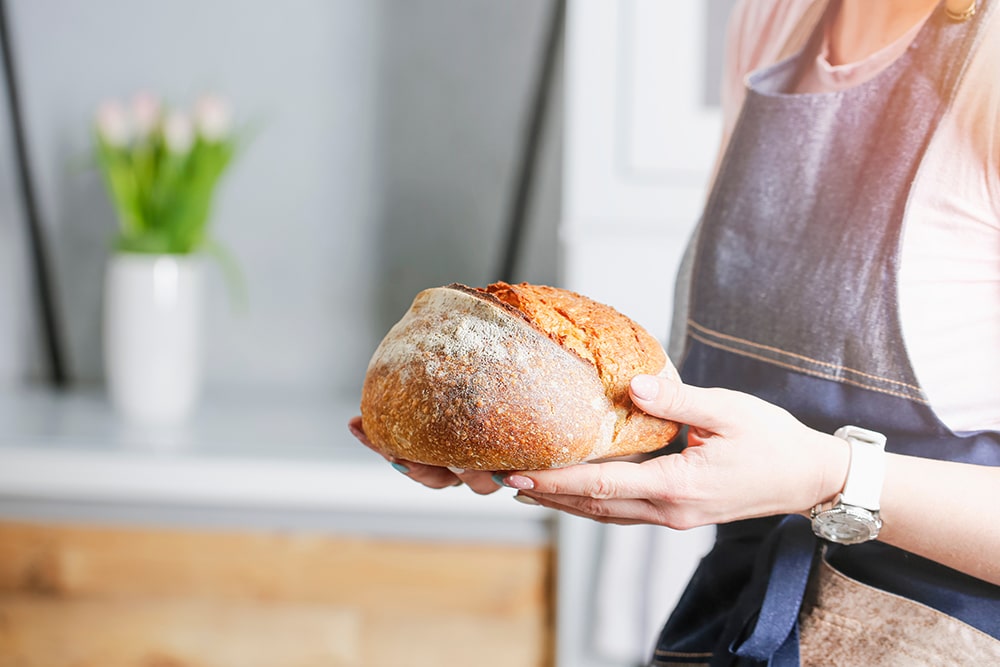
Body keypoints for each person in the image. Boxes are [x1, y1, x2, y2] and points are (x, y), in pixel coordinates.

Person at [349, 0, 1000, 663]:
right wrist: (548, 432)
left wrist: (829, 475)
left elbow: (797, 462)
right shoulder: (780, 19)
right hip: (739, 621)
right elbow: (745, 426)